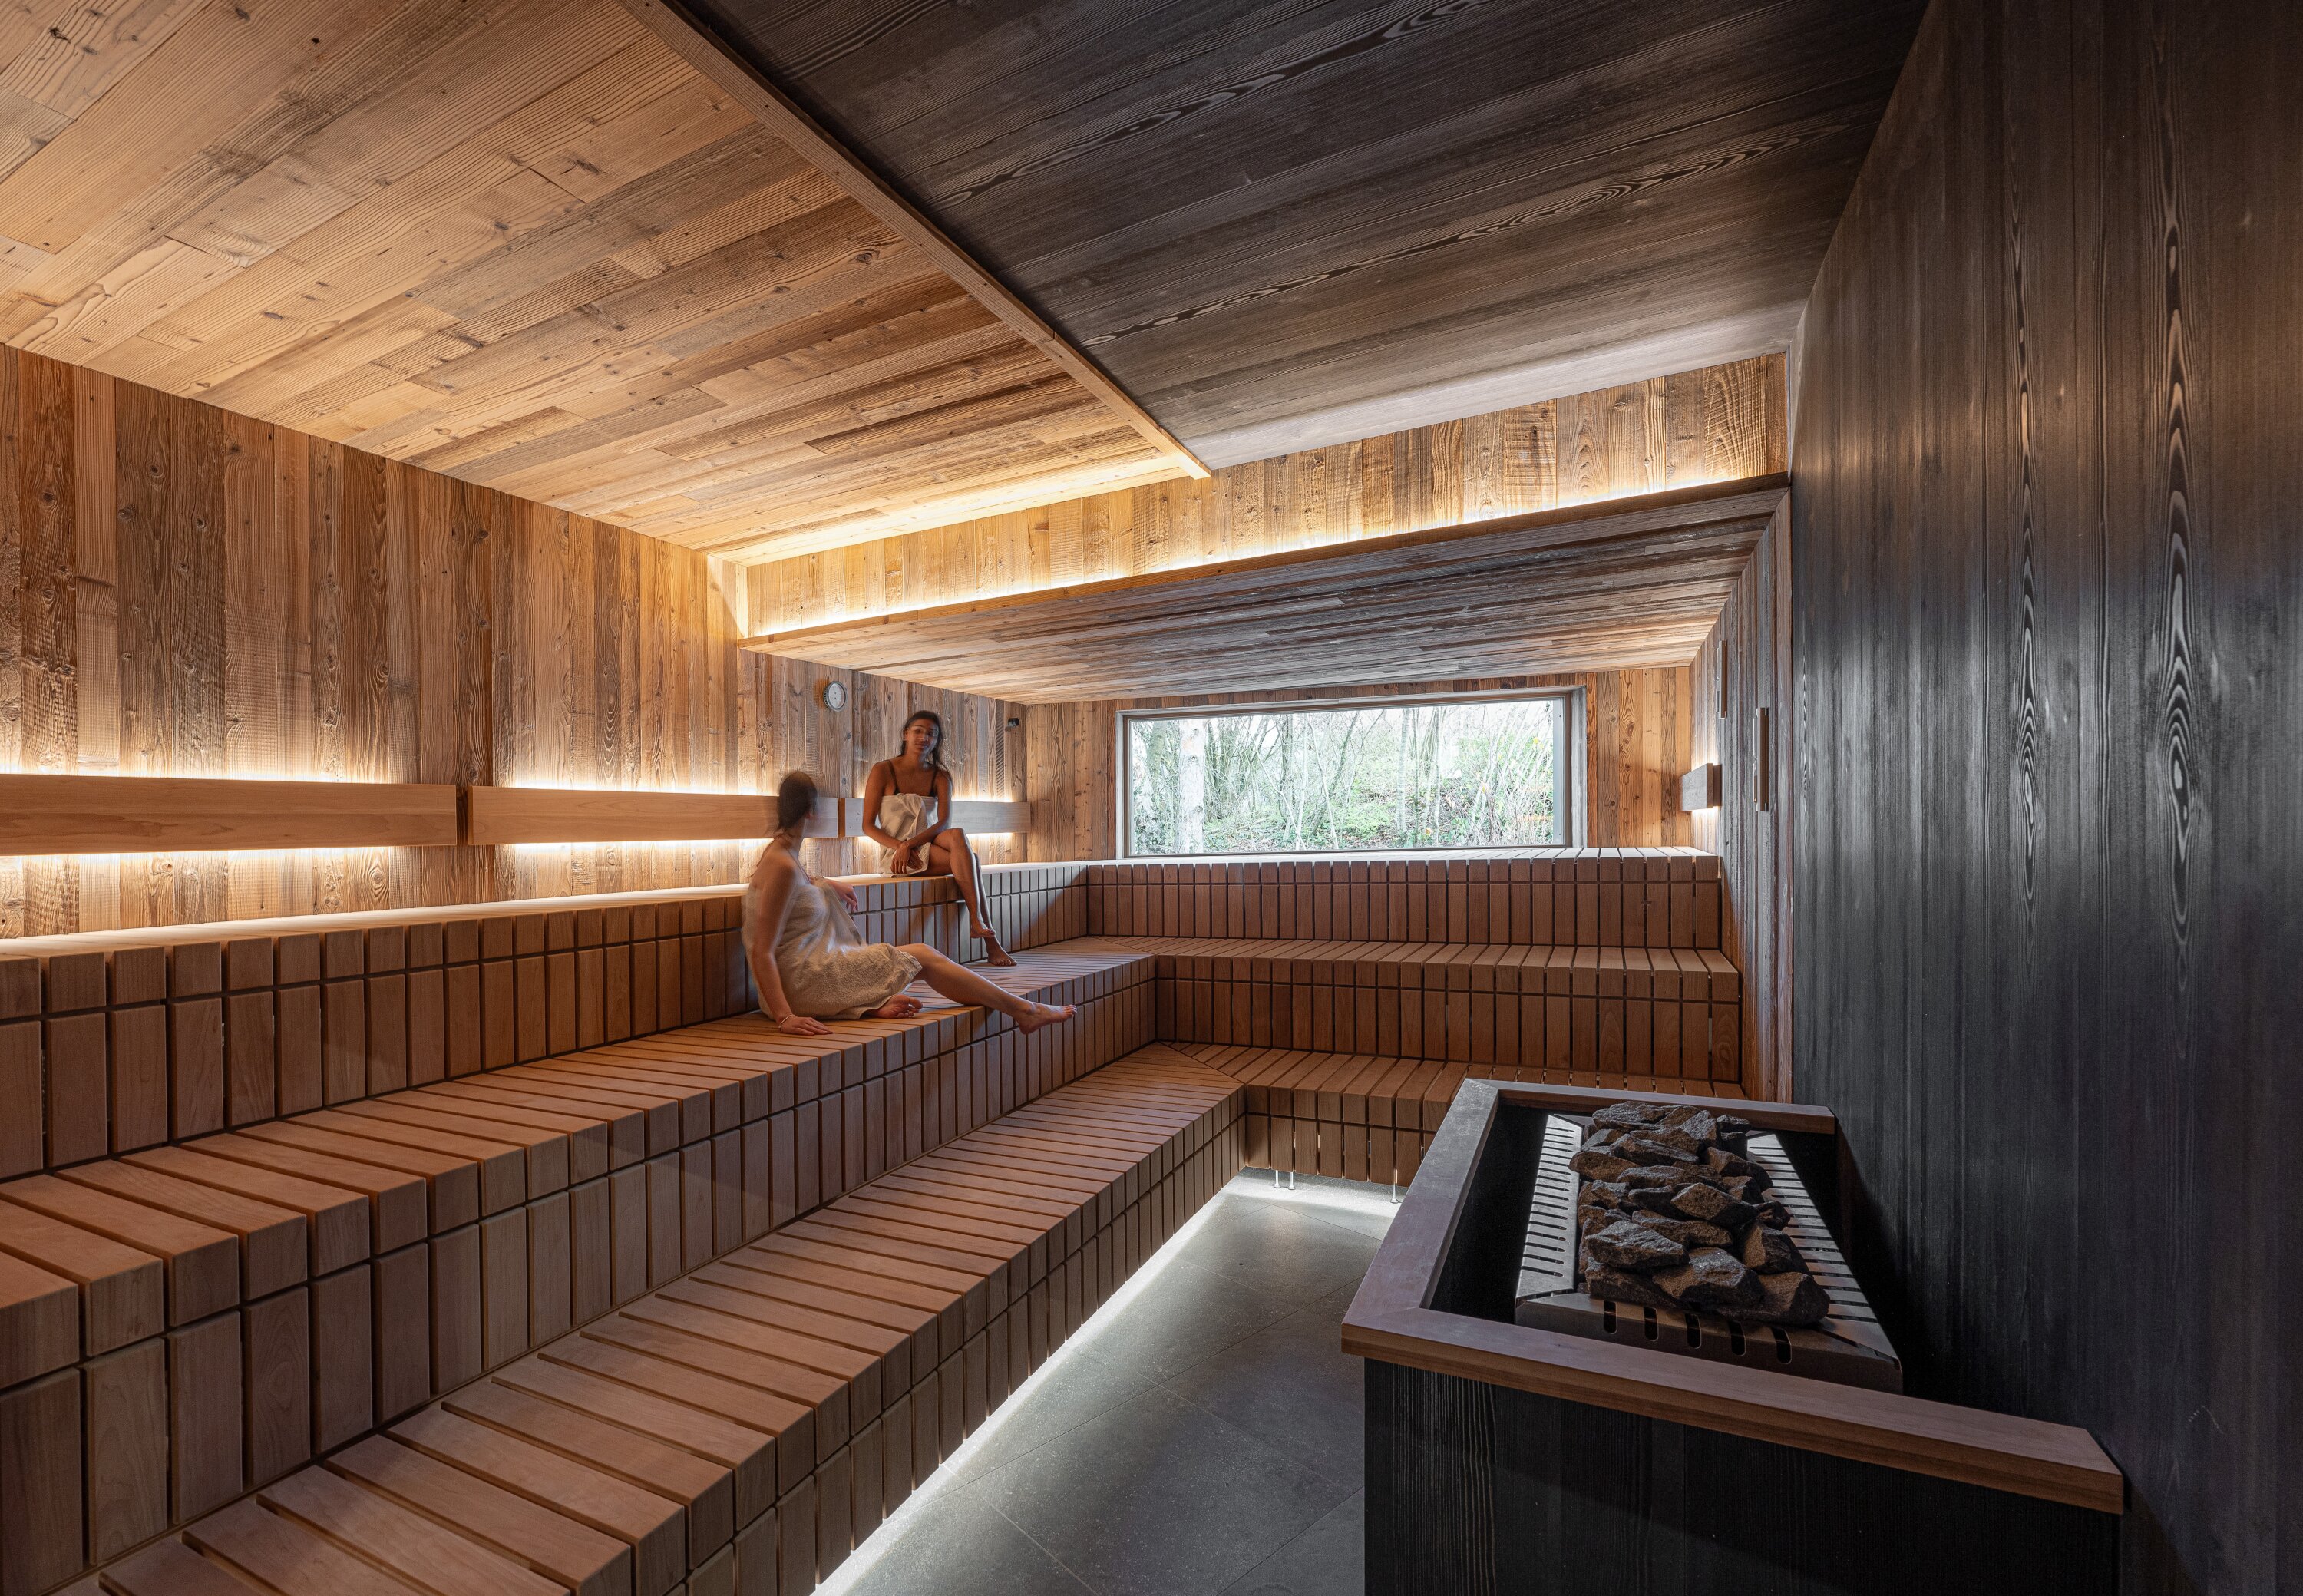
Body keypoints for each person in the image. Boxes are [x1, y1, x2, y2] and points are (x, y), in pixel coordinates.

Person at [743, 770, 1074, 1038]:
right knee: (924, 955)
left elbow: (791, 891)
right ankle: (1024, 1011)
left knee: (912, 957)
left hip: (804, 977)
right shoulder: (783, 865)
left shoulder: (785, 856)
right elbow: (762, 949)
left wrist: (825, 884)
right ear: (814, 811)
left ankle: (868, 1005)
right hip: (799, 984)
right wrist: (785, 1016)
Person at [861, 709, 1016, 966]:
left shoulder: (940, 776)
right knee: (972, 861)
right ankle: (989, 939)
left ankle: (979, 924)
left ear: (936, 740)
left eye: (931, 734)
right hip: (897, 855)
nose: (924, 737)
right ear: (906, 734)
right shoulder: (883, 770)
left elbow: (944, 822)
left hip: (923, 843)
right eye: (918, 731)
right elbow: (868, 826)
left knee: (957, 835)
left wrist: (911, 843)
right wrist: (901, 847)